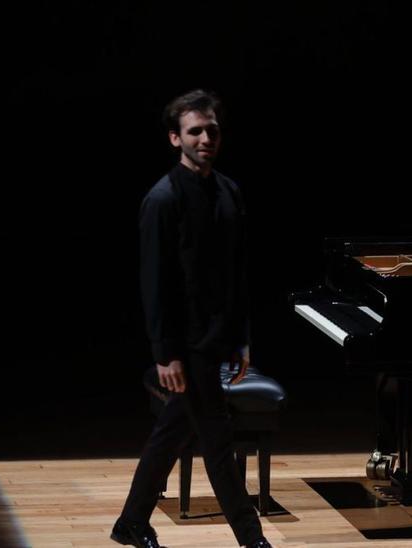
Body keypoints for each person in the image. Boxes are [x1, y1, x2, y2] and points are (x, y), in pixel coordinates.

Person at [113, 89, 271, 548]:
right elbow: (153, 284)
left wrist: (242, 339)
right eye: (195, 131)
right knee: (219, 442)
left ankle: (131, 523)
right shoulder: (161, 200)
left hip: (219, 337)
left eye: (212, 130)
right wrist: (165, 354)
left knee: (172, 434)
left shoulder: (229, 191)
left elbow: (237, 274)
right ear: (174, 138)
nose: (205, 138)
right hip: (186, 345)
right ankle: (251, 537)